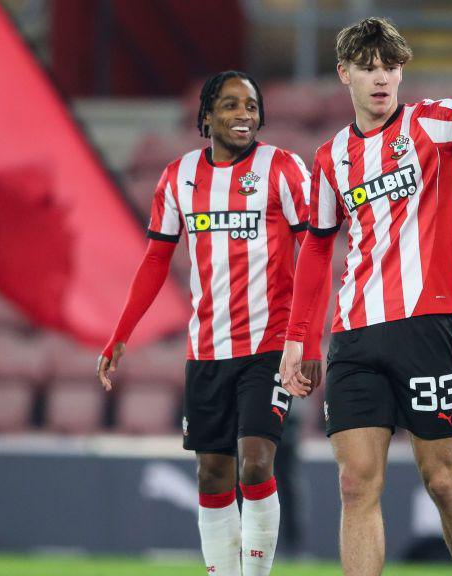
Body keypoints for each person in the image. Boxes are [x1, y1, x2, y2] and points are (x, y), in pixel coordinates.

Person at [277, 17, 452, 576]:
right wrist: (298, 339)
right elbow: (315, 251)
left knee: (442, 479)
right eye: (368, 68)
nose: (381, 79)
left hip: (423, 329)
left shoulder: (427, 124)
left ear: (402, 72)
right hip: (354, 335)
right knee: (355, 483)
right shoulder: (331, 156)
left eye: (390, 67)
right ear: (345, 75)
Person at [96, 70, 326, 576]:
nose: (243, 115)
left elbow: (317, 248)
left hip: (269, 346)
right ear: (206, 116)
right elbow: (156, 260)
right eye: (230, 105)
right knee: (211, 472)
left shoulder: (282, 169)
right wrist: (121, 334)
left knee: (257, 463)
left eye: (251, 105)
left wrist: (306, 337)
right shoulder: (177, 177)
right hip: (206, 351)